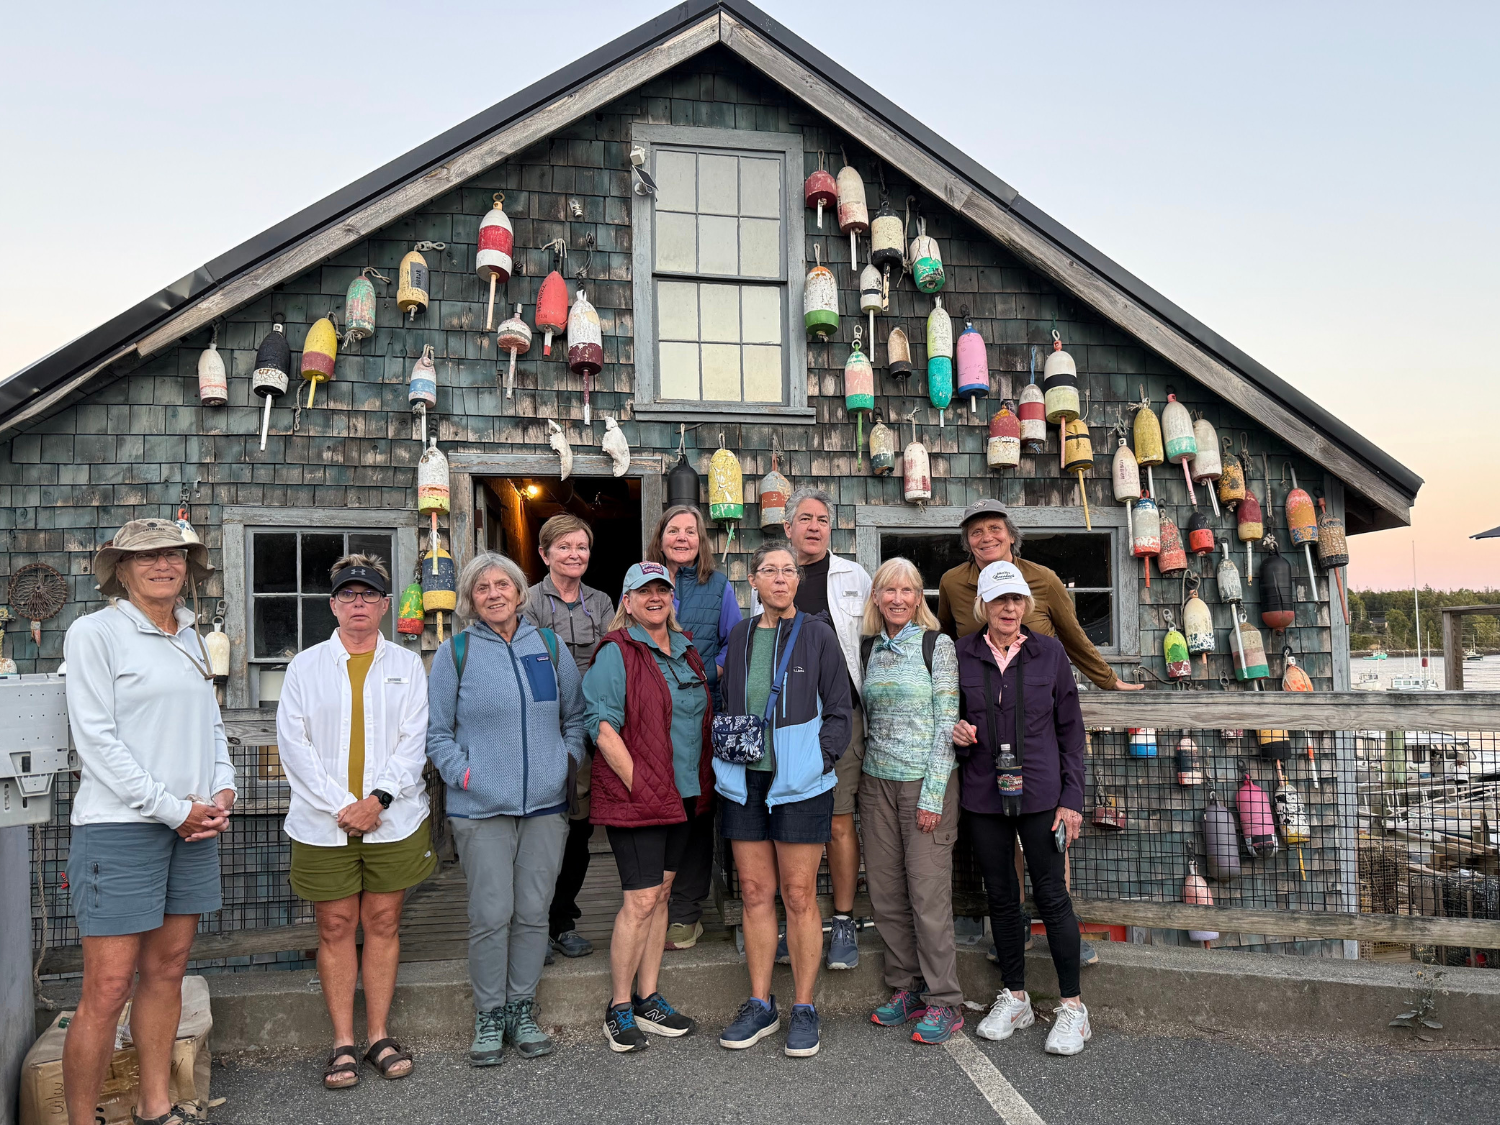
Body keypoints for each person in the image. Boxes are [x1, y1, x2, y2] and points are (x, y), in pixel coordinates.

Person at [61, 519, 236, 1125]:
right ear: (121, 569)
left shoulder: (189, 634)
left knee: (167, 972)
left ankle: (155, 1106)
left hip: (191, 825)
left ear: (189, 567)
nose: (163, 565)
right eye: (147, 557)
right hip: (119, 827)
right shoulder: (96, 633)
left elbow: (210, 724)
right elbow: (96, 742)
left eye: (174, 556)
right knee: (108, 988)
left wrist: (223, 786)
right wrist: (173, 809)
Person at [937, 498, 1141, 965]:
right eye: (975, 532)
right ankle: (1014, 936)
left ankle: (1059, 933)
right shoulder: (951, 582)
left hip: (1035, 721)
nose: (986, 538)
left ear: (1011, 535)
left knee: (1049, 842)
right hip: (985, 729)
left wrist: (1108, 680)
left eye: (994, 528)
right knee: (1001, 843)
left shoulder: (1042, 579)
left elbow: (1073, 635)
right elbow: (945, 643)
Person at [276, 554, 433, 1087]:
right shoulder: (305, 667)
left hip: (393, 818)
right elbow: (294, 746)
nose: (358, 603)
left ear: (385, 606)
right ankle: (343, 1041)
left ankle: (378, 1035)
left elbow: (413, 741)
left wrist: (377, 801)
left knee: (384, 923)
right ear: (333, 605)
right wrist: (344, 805)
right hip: (325, 822)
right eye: (348, 594)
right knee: (336, 926)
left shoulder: (407, 666)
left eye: (369, 595)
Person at [427, 553, 585, 1067]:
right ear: (470, 600)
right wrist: (467, 776)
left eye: (502, 585)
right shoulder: (456, 653)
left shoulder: (549, 647)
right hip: (480, 808)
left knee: (534, 911)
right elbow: (437, 734)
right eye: (482, 588)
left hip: (544, 805)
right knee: (491, 913)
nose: (494, 594)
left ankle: (521, 1008)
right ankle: (490, 1013)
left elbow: (574, 717)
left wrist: (564, 763)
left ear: (519, 593)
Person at [718, 544, 852, 1059]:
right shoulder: (740, 634)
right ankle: (760, 1004)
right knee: (755, 892)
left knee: (798, 896)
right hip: (744, 781)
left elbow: (839, 709)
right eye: (769, 571)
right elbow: (730, 700)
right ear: (753, 581)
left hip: (801, 783)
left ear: (798, 581)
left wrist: (819, 760)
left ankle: (803, 1006)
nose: (780, 578)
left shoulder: (818, 634)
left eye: (788, 571)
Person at [953, 561, 1092, 1056]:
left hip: (1042, 795)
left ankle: (1073, 1007)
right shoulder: (962, 653)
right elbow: (948, 716)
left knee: (1052, 896)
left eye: (1015, 600)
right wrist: (957, 733)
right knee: (1001, 895)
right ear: (983, 605)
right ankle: (1015, 997)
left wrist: (1072, 799)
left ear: (1026, 605)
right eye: (998, 600)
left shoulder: (1049, 653)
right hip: (983, 793)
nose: (1008, 608)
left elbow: (1071, 731)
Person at [583, 562, 711, 1053]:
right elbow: (602, 727)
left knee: (661, 896)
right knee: (639, 900)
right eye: (644, 591)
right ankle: (618, 1007)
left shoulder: (686, 650)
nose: (655, 597)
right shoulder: (617, 651)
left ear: (671, 598)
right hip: (639, 797)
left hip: (684, 794)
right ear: (628, 601)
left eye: (663, 589)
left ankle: (648, 997)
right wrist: (642, 785)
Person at [750, 486, 870, 971]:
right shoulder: (769, 578)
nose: (815, 527)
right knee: (783, 820)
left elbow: (872, 640)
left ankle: (842, 920)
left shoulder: (853, 577)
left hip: (841, 715)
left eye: (822, 519)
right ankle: (790, 921)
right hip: (783, 723)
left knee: (839, 821)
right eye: (806, 518)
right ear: (788, 526)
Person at [858, 558, 963, 1045]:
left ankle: (945, 1000)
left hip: (925, 783)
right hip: (876, 784)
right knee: (886, 894)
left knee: (927, 896)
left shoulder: (936, 645)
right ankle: (907, 988)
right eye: (889, 590)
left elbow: (947, 721)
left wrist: (933, 794)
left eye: (907, 591)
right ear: (876, 598)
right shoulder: (869, 648)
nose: (897, 599)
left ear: (919, 598)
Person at [646, 504, 741, 951]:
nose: (682, 538)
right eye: (673, 530)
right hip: (652, 720)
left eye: (690, 531)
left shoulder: (717, 585)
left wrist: (710, 674)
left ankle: (686, 913)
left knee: (697, 812)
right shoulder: (642, 582)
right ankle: (652, 905)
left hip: (702, 717)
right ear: (660, 537)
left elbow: (733, 643)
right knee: (658, 809)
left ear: (701, 540)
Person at [524, 513, 615, 961]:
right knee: (542, 830)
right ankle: (532, 927)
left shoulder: (601, 602)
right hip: (543, 729)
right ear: (545, 554)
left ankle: (562, 921)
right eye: (564, 547)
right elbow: (526, 663)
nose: (574, 554)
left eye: (581, 547)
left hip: (590, 728)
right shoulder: (528, 601)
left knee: (579, 830)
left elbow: (612, 656)